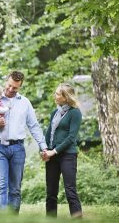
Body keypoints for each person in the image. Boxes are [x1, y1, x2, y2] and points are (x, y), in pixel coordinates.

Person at [0, 71, 47, 213]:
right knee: (0, 187)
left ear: (20, 87)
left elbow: (34, 126)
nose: (10, 89)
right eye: (9, 85)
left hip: (17, 149)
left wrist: (43, 146)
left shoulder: (25, 103)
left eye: (15, 88)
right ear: (6, 81)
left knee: (15, 189)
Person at [41, 83, 83, 218]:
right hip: (52, 156)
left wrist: (54, 151)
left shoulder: (75, 113)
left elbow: (71, 137)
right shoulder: (55, 112)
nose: (55, 95)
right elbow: (49, 133)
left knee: (70, 191)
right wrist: (45, 150)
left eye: (58, 94)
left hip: (68, 156)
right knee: (51, 193)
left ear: (65, 97)